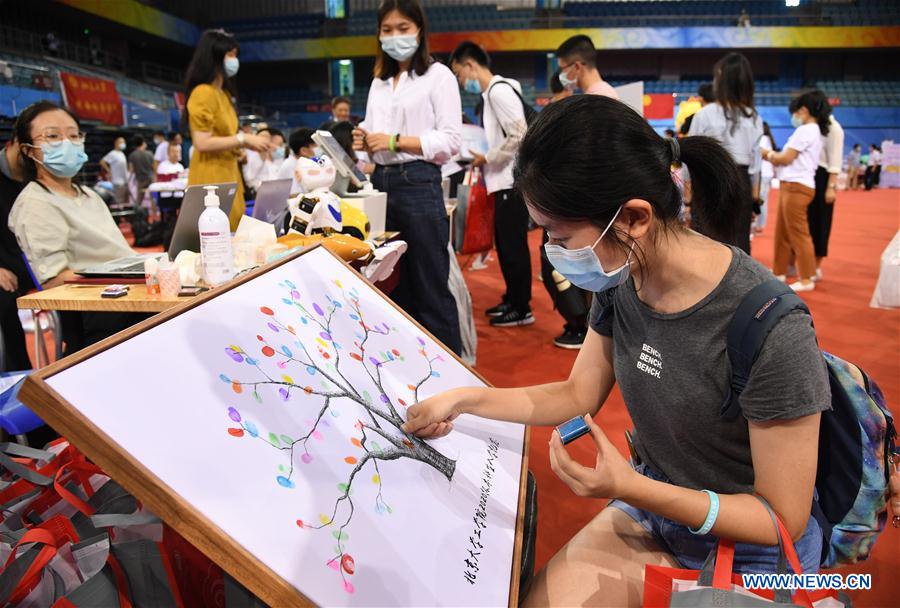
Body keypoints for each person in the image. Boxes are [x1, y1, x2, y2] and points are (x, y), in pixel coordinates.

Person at [402, 95, 828, 607]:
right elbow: (575, 392)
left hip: (754, 550)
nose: (552, 253)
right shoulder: (623, 279)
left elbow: (779, 518)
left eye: (560, 236)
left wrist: (631, 487)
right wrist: (465, 399)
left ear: (633, 218)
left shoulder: (770, 326)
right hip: (659, 509)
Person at [352, 0, 462, 354]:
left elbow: (451, 141)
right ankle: (413, 369)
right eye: (387, 30)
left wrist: (396, 141)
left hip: (418, 180)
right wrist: (364, 140)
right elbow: (376, 136)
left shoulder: (438, 76)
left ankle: (454, 383)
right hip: (382, 182)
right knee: (395, 286)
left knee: (430, 284)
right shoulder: (379, 83)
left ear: (419, 31)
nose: (395, 36)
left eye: (403, 28)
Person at [10, 101, 143, 354]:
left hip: (133, 291)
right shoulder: (36, 203)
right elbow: (53, 282)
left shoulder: (89, 195)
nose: (67, 143)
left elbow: (121, 254)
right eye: (53, 136)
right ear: (28, 150)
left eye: (73, 135)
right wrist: (117, 282)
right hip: (98, 310)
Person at [450, 41, 533, 328]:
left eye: (459, 74)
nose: (461, 82)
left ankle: (522, 308)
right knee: (507, 246)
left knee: (514, 247)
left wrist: (487, 157)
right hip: (502, 181)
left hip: (511, 180)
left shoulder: (498, 91)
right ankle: (513, 298)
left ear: (470, 65)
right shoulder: (492, 94)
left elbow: (519, 134)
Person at [183, 29, 270, 230]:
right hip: (210, 176)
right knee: (217, 233)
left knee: (233, 228)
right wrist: (243, 139)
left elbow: (225, 137)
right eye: (230, 55)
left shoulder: (223, 94)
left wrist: (239, 150)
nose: (234, 60)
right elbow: (202, 142)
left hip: (229, 172)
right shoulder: (203, 93)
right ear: (215, 57)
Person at [688, 52, 760, 254]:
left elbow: (690, 157)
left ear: (721, 80)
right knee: (739, 242)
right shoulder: (754, 117)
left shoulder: (704, 114)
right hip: (742, 182)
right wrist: (755, 198)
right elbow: (756, 165)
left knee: (707, 241)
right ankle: (742, 285)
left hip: (711, 180)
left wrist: (686, 197)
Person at [761, 90, 828, 292]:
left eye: (796, 112)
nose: (795, 116)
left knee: (799, 234)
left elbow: (785, 158)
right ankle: (779, 271)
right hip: (792, 185)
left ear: (804, 110)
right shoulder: (813, 130)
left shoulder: (806, 130)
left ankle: (807, 277)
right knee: (783, 232)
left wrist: (766, 153)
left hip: (797, 186)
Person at [0, 135, 34, 370]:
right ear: (13, 143)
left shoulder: (39, 175)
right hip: (6, 267)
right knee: (4, 301)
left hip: (40, 261)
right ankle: (19, 379)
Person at [808, 98, 844, 280]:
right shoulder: (814, 127)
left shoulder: (834, 128)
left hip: (824, 178)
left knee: (821, 223)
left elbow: (835, 161)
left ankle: (816, 266)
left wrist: (831, 187)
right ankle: (801, 263)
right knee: (807, 223)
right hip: (810, 176)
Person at [277, 127, 317, 196]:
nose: (319, 149)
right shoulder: (289, 166)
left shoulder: (304, 164)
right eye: (315, 146)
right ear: (303, 151)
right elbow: (294, 195)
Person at [753, 121, 777, 234]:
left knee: (760, 200)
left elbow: (759, 153)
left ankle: (758, 225)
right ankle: (760, 224)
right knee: (763, 200)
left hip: (762, 174)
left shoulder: (761, 138)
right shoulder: (768, 139)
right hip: (767, 173)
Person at [128, 135, 154, 210]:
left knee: (139, 200)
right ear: (143, 143)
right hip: (150, 178)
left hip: (140, 180)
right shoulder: (150, 154)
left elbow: (131, 169)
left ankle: (137, 214)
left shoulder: (132, 155)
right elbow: (154, 167)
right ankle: (154, 214)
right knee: (153, 199)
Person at [100, 136, 128, 206]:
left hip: (124, 182)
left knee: (122, 201)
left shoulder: (122, 154)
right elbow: (102, 162)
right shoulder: (113, 153)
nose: (123, 144)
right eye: (121, 142)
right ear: (116, 143)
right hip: (117, 182)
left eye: (124, 142)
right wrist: (109, 171)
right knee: (117, 202)